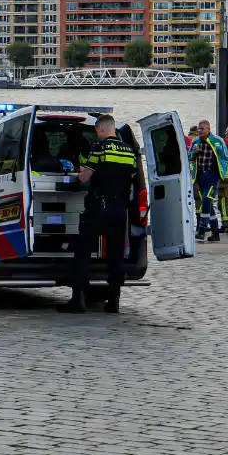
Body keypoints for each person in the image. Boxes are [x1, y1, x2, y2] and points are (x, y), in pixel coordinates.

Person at [60, 114, 138, 315]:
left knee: (82, 252)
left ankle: (78, 300)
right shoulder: (130, 151)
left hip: (98, 206)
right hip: (119, 209)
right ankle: (113, 301)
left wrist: (76, 174)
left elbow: (85, 178)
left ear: (101, 129)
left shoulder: (100, 148)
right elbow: (132, 178)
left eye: (97, 131)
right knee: (115, 255)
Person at [188, 120, 228, 242]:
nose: (200, 131)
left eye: (202, 128)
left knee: (207, 199)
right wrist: (194, 153)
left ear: (208, 129)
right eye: (198, 129)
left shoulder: (218, 141)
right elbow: (189, 157)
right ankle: (215, 232)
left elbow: (226, 157)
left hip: (213, 175)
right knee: (208, 204)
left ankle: (202, 229)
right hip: (201, 176)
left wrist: (221, 173)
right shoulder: (195, 142)